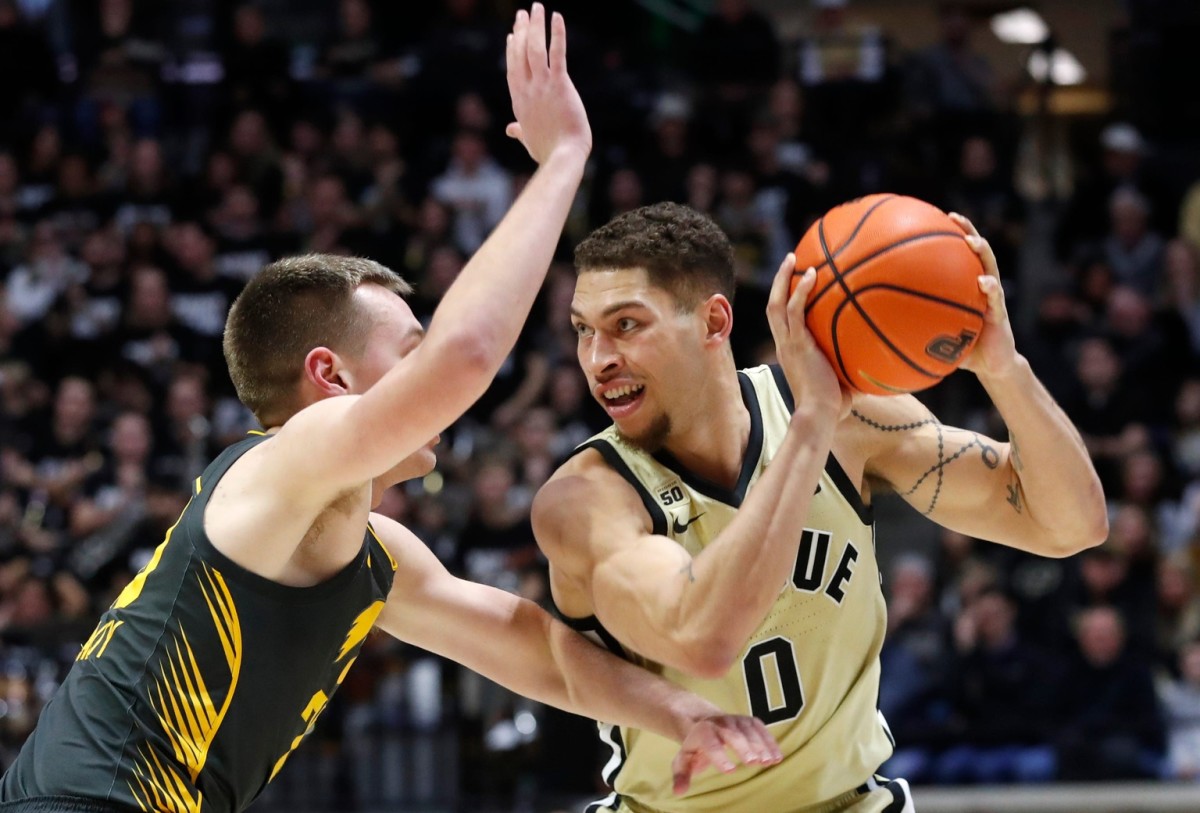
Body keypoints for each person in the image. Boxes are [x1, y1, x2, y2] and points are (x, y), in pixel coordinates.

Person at [0, 9, 783, 813]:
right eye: (408, 349)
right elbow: (468, 357)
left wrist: (683, 712)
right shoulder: (282, 463)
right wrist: (562, 162)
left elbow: (544, 653)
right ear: (329, 376)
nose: (427, 375)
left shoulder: (368, 549)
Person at [531, 200, 1108, 812]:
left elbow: (1071, 524)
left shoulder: (849, 420)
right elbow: (701, 638)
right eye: (583, 330)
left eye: (626, 325)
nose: (598, 359)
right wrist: (811, 426)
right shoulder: (587, 498)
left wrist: (1003, 369)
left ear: (714, 322)